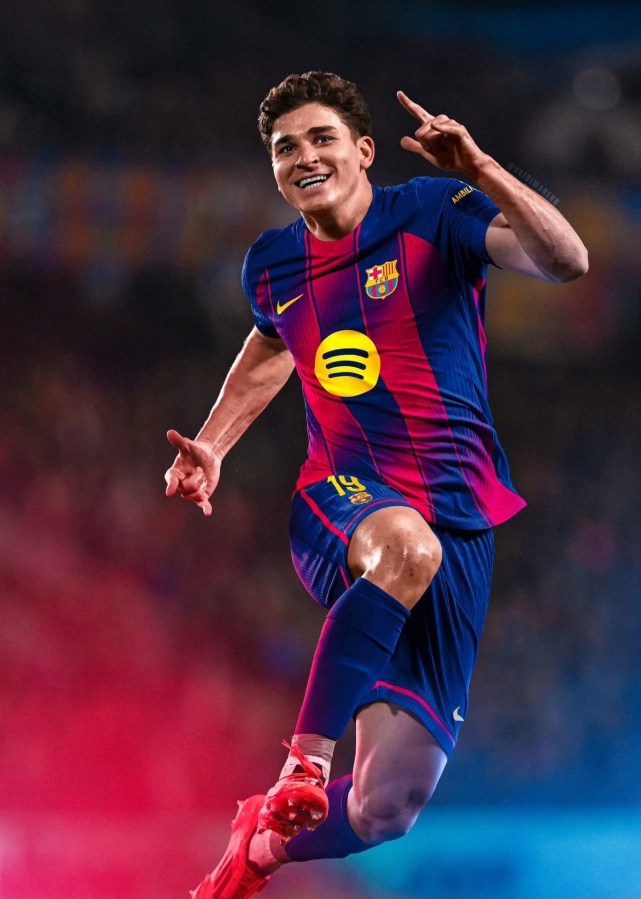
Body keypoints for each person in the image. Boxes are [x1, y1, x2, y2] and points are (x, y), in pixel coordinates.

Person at [164, 71, 588, 898]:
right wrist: (211, 443)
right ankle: (303, 763)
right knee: (406, 548)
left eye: (321, 138)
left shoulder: (433, 211)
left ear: (363, 150)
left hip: (460, 519)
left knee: (387, 806)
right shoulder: (273, 263)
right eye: (285, 148)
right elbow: (273, 342)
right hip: (343, 498)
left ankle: (261, 845)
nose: (304, 157)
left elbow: (567, 261)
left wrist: (481, 168)